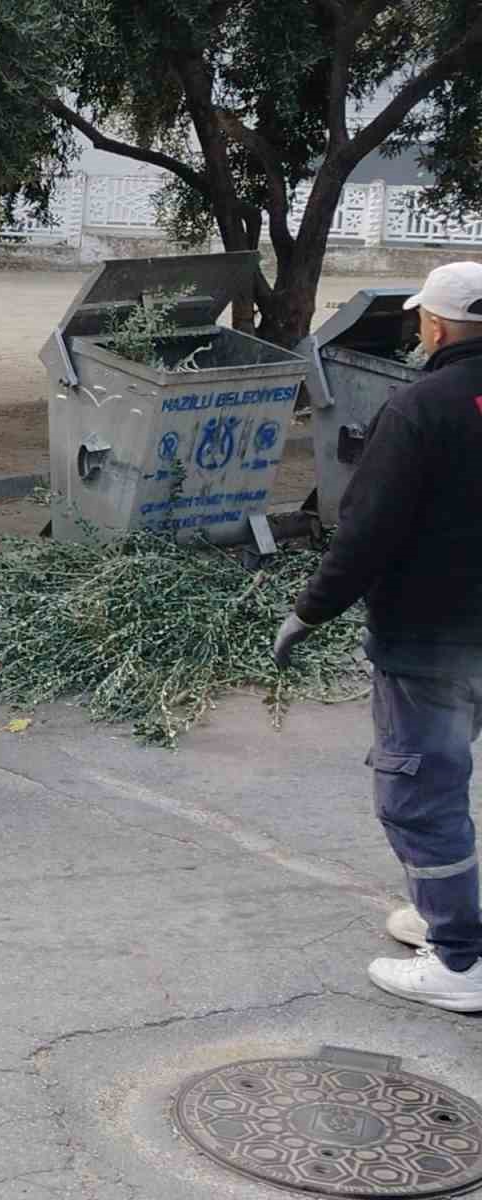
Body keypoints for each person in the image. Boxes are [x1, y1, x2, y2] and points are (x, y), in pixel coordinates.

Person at [274, 260, 482, 1012]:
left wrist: (308, 612)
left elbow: (366, 534)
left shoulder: (421, 407)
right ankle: (443, 915)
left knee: (421, 793)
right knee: (447, 776)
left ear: (434, 327)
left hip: (429, 637)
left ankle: (460, 959)